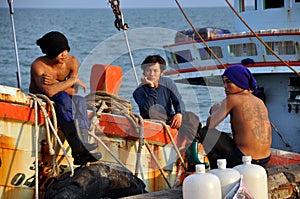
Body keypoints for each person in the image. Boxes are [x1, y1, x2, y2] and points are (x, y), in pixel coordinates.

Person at [29, 31, 101, 165]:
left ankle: (83, 143)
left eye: (66, 50)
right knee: (62, 97)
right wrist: (72, 80)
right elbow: (49, 92)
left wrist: (57, 83)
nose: (64, 54)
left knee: (79, 100)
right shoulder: (39, 66)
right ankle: (77, 146)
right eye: (59, 52)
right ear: (50, 53)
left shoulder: (72, 62)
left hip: (64, 95)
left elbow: (73, 91)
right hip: (42, 95)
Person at [196, 65, 272, 169]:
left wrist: (214, 111)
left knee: (205, 132)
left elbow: (210, 125)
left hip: (245, 160)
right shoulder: (259, 102)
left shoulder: (232, 99)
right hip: (265, 160)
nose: (224, 86)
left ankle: (217, 170)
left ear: (239, 82)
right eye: (224, 82)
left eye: (228, 82)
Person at [133, 55, 200, 170]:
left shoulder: (168, 83)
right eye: (149, 70)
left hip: (169, 117)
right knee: (152, 112)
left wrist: (178, 113)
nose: (152, 74)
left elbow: (178, 100)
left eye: (155, 71)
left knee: (192, 116)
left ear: (161, 73)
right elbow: (147, 110)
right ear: (144, 72)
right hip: (153, 119)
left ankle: (190, 153)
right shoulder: (138, 92)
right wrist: (151, 88)